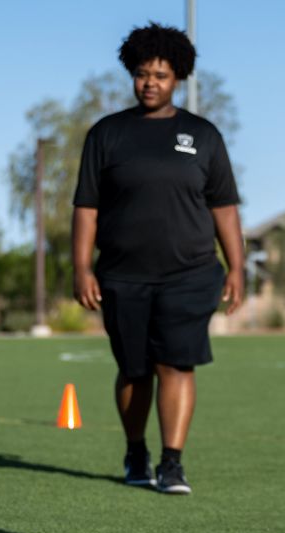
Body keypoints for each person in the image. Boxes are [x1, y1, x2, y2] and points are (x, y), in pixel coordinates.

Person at [72, 23, 244, 496]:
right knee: (133, 369)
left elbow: (224, 207)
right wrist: (82, 267)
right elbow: (85, 207)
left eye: (162, 75)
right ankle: (135, 451)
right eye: (144, 73)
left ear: (178, 78)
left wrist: (238, 267)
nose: (151, 82)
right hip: (122, 276)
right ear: (132, 74)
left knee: (176, 364)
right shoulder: (107, 134)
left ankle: (172, 463)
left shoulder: (203, 135)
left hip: (189, 274)